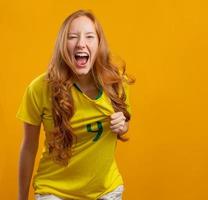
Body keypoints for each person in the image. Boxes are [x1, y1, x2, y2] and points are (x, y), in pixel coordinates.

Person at [17, 9, 134, 200]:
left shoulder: (116, 84)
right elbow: (29, 146)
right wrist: (21, 198)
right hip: (54, 191)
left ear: (99, 44)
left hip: (105, 191)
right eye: (72, 37)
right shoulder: (39, 89)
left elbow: (124, 125)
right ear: (63, 45)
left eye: (89, 37)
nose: (81, 43)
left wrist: (123, 126)